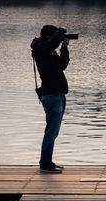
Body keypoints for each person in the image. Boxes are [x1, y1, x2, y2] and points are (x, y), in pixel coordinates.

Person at [31, 25, 70, 173]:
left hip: (58, 94)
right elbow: (51, 44)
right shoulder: (40, 49)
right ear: (48, 36)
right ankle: (45, 163)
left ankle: (48, 161)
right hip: (51, 95)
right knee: (51, 131)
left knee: (53, 131)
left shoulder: (49, 50)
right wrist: (59, 33)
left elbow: (62, 65)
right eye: (55, 36)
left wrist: (64, 48)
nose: (58, 40)